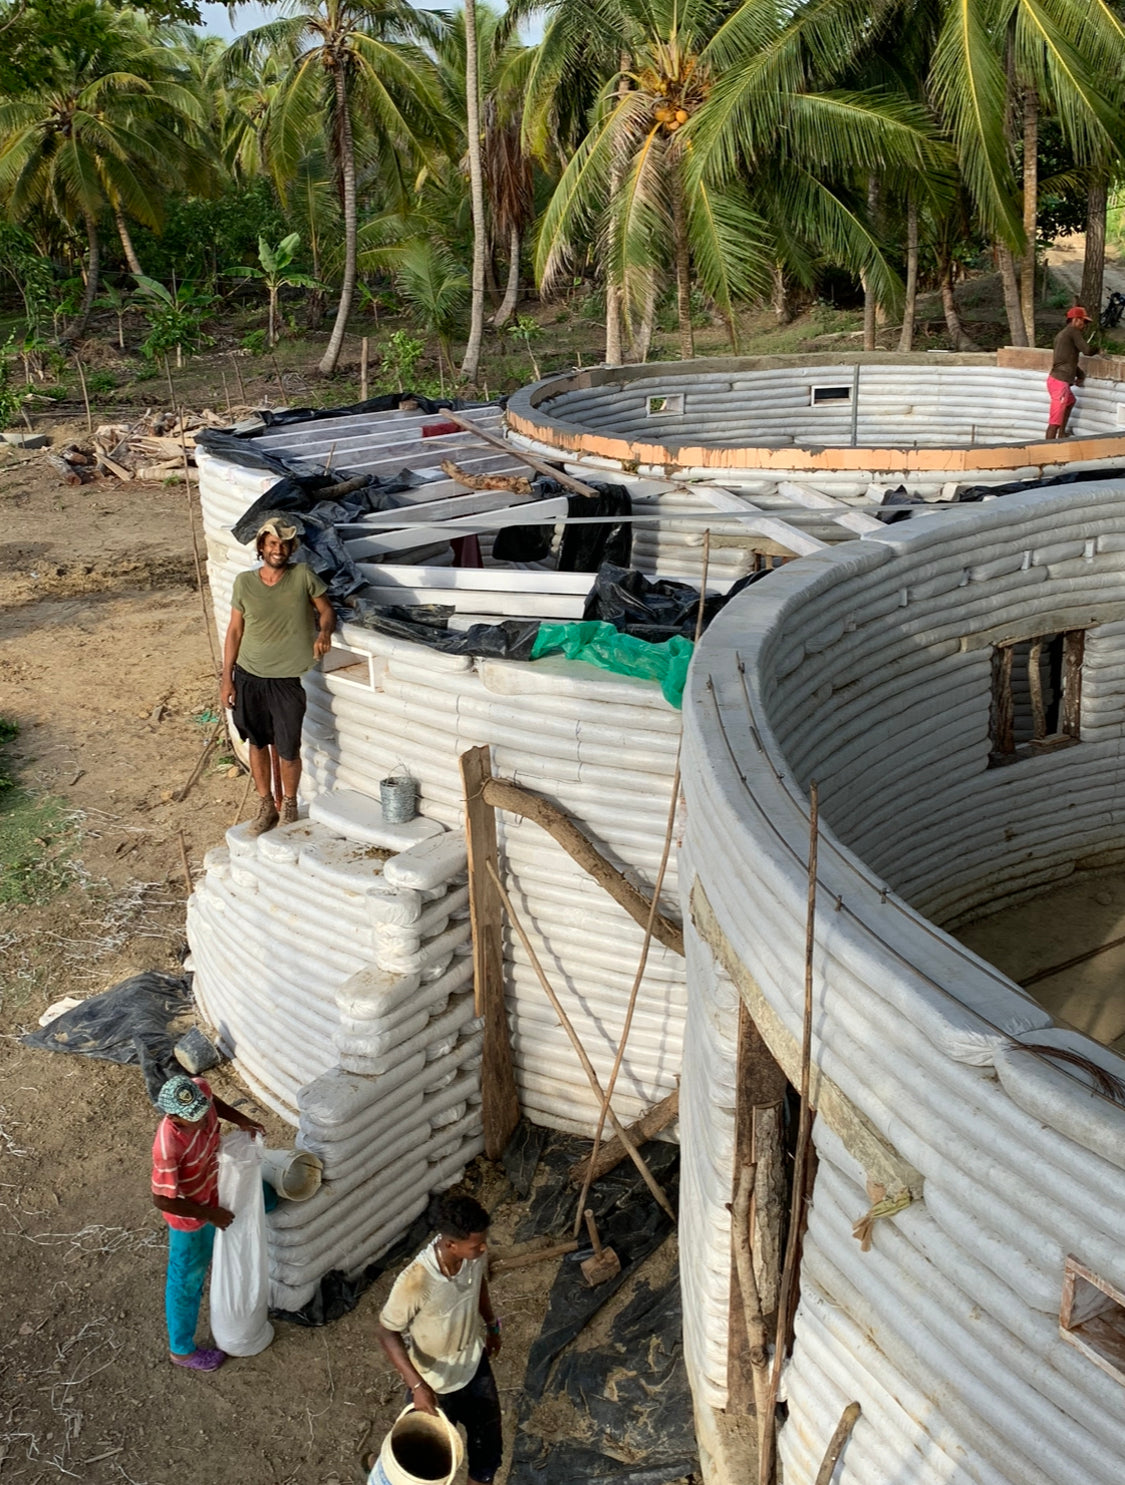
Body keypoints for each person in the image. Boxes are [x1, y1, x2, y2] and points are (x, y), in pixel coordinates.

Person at [373, 1195, 503, 1485]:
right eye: (476, 1245)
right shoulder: (417, 1281)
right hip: (434, 1383)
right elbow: (385, 1332)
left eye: (484, 1241)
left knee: (488, 1456)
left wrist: (492, 1326)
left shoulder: (472, 1258)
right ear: (450, 1244)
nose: (483, 1249)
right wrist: (417, 1386)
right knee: (427, 1466)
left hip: (473, 1366)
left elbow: (478, 1285)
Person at [221, 517, 336, 837]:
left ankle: (288, 805)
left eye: (284, 544)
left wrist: (324, 631)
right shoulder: (244, 582)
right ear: (261, 546)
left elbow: (326, 610)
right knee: (258, 743)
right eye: (272, 543)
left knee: (287, 747)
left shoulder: (302, 576)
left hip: (286, 679)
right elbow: (234, 631)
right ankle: (265, 806)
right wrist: (227, 679)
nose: (279, 549)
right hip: (248, 676)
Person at [151, 1073, 265, 1373]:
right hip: (190, 1217)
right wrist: (210, 1216)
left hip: (214, 1188)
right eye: (194, 1119)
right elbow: (163, 1199)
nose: (203, 1120)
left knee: (264, 1205)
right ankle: (182, 1351)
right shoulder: (168, 1147)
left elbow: (213, 1101)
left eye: (203, 1112)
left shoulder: (198, 1093)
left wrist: (241, 1119)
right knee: (186, 1278)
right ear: (173, 1117)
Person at [1046, 306, 1094, 440]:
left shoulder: (1062, 335)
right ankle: (1045, 450)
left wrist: (1080, 374)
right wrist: (1099, 349)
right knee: (1054, 421)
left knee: (1070, 401)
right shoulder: (1073, 331)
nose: (1084, 325)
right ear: (1075, 320)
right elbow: (1087, 350)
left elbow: (1067, 360)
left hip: (1055, 379)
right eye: (1083, 321)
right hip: (1060, 382)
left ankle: (1062, 434)